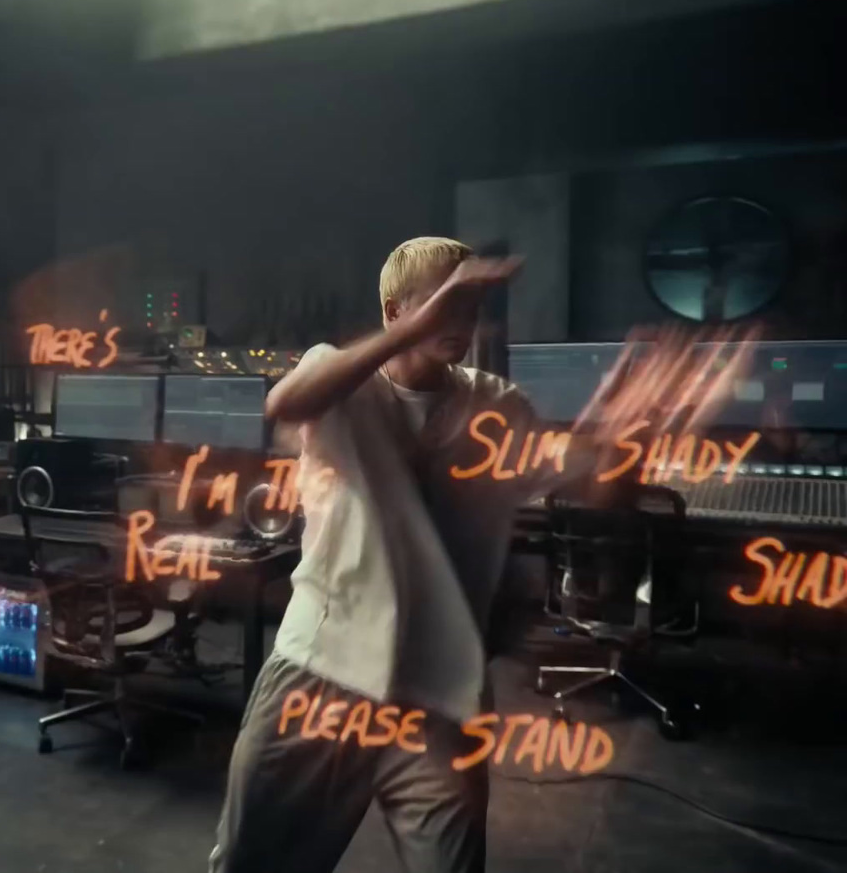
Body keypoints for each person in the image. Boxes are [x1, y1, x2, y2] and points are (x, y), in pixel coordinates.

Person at [209, 237, 592, 873]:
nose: (462, 323)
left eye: (471, 308)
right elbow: (284, 403)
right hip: (320, 675)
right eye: (447, 305)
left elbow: (571, 474)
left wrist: (639, 426)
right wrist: (419, 325)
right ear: (396, 311)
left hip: (440, 695)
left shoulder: (497, 406)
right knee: (253, 862)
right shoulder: (341, 384)